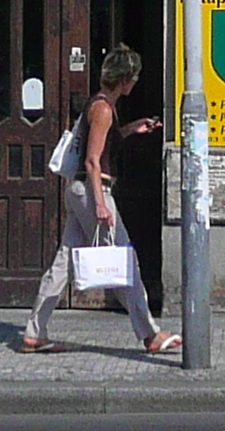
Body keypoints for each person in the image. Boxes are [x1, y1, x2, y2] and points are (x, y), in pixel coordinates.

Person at [20, 46, 178, 355]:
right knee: (126, 260)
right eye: (133, 78)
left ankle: (34, 332)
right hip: (93, 192)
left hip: (80, 192)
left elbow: (104, 144)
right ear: (124, 80)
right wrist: (101, 205)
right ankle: (150, 335)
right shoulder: (103, 109)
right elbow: (93, 161)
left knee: (63, 264)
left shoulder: (100, 105)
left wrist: (132, 129)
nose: (134, 83)